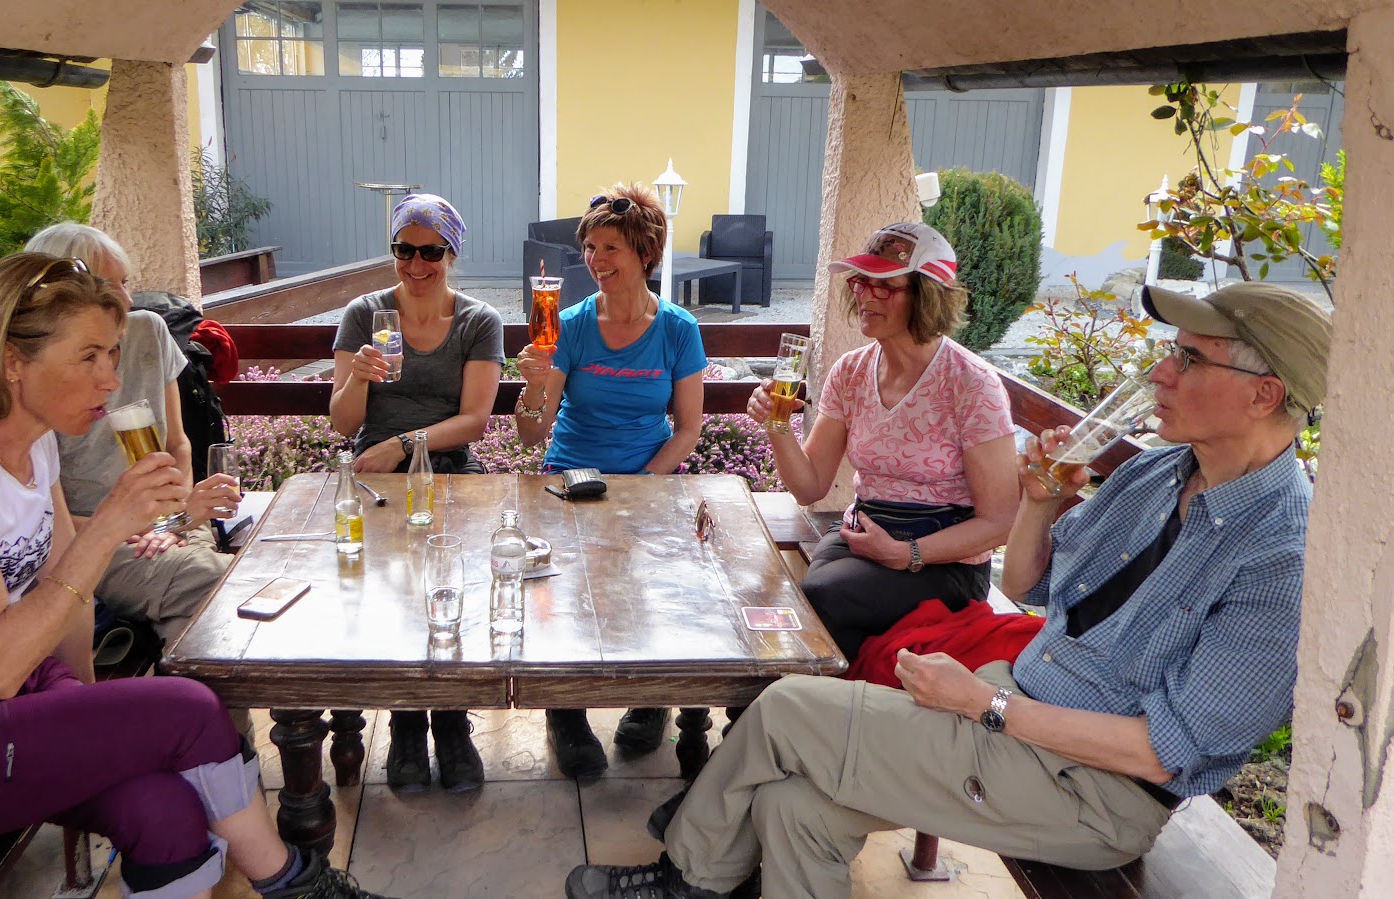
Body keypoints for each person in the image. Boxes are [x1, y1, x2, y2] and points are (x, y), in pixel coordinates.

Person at [564, 280, 1329, 899]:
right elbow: (1028, 583)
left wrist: (985, 703)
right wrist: (1038, 503)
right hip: (1022, 703)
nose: (1161, 373)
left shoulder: (1281, 558)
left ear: (1263, 394)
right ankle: (705, 860)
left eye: (1189, 359)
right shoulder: (1161, 472)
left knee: (790, 706)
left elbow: (1167, 753)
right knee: (791, 806)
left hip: (1092, 787)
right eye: (1170, 352)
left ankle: (687, 878)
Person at [0, 252, 392, 899]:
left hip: (5, 708)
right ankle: (297, 885)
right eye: (89, 356)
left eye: (113, 355)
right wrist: (110, 523)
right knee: (189, 708)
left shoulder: (34, 444)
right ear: (12, 361)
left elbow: (70, 596)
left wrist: (90, 716)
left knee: (163, 811)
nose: (111, 379)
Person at [746, 222, 1019, 662]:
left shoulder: (971, 384)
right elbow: (809, 487)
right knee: (797, 601)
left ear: (927, 297)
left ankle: (797, 704)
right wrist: (776, 424)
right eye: (860, 282)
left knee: (820, 600)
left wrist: (907, 553)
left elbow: (1001, 520)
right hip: (865, 533)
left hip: (945, 562)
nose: (864, 296)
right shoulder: (851, 370)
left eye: (885, 287)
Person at [514, 184, 707, 779]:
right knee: (564, 595)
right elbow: (532, 434)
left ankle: (651, 699)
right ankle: (565, 711)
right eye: (590, 247)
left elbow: (688, 429)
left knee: (653, 590)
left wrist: (641, 485)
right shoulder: (569, 325)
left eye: (610, 248)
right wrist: (531, 385)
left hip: (648, 482)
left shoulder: (677, 329)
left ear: (645, 253)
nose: (596, 259)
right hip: (570, 479)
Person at [331, 193, 504, 793]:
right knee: (390, 591)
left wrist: (404, 444)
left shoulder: (478, 321)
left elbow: (475, 419)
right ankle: (406, 721)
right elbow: (343, 423)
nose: (416, 264)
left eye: (432, 252)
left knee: (449, 581)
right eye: (404, 249)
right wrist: (358, 377)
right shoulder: (365, 315)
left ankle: (451, 719)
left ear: (452, 254)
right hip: (376, 475)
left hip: (448, 467)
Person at [24, 224, 238, 654]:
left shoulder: (148, 331)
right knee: (229, 583)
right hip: (98, 543)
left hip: (174, 520)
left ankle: (195, 693)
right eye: (107, 287)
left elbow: (177, 444)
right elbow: (50, 524)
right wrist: (154, 525)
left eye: (125, 283)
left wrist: (175, 519)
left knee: (206, 609)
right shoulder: (45, 381)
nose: (124, 300)